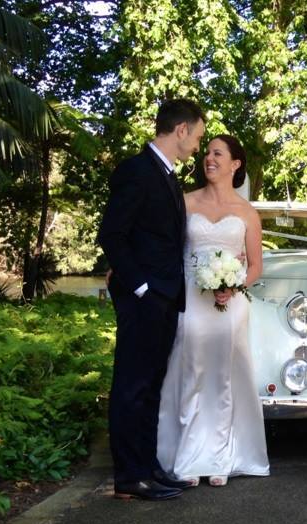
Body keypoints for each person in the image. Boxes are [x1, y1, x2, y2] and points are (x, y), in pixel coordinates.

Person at [98, 99, 206, 501]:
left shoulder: (167, 174)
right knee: (132, 386)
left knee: (151, 387)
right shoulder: (136, 170)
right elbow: (112, 235)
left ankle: (147, 467)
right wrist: (141, 287)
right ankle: (129, 476)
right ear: (181, 130)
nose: (198, 145)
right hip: (144, 298)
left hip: (164, 297)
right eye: (197, 137)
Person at [156, 134, 269, 488]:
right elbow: (165, 248)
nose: (209, 158)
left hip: (229, 305)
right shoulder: (185, 202)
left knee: (222, 380)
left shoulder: (247, 212)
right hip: (190, 298)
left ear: (235, 164)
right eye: (207, 153)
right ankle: (189, 457)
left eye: (217, 153)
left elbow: (255, 266)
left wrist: (233, 285)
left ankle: (220, 458)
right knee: (191, 374)